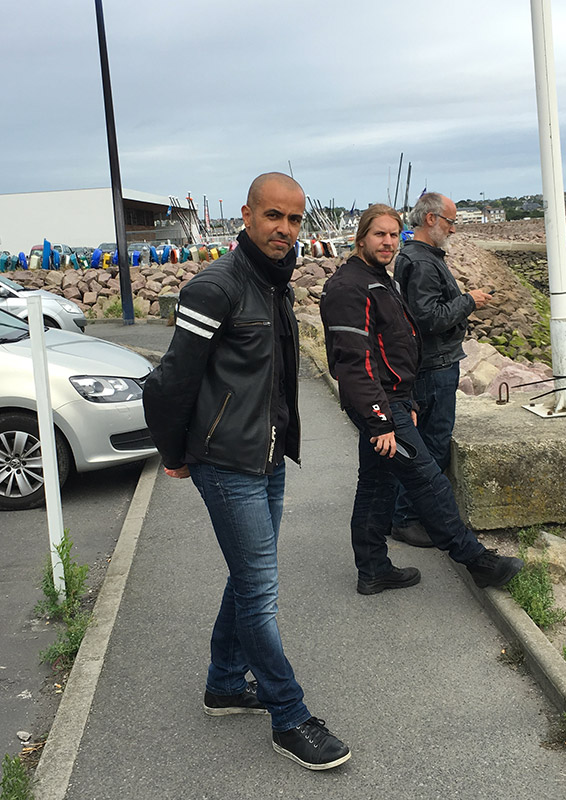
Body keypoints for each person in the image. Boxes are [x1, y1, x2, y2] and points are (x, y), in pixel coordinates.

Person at [143, 172, 351, 772]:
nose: (285, 230)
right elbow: (172, 379)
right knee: (260, 589)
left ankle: (226, 684)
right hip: (226, 461)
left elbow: (276, 380)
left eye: (294, 219)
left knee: (247, 575)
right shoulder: (217, 286)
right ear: (248, 215)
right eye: (273, 217)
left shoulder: (275, 283)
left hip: (266, 457)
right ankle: (290, 715)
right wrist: (174, 453)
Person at [319, 204, 522, 595]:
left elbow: (392, 347)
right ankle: (477, 561)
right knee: (429, 482)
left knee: (375, 486)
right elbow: (352, 360)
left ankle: (374, 568)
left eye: (394, 235)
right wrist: (381, 419)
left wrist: (406, 396)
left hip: (391, 400)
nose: (389, 242)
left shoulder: (378, 278)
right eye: (380, 234)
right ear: (361, 237)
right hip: (379, 406)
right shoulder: (350, 287)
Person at [391, 193, 493, 547]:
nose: (452, 229)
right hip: (434, 366)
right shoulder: (420, 261)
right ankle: (405, 517)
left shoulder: (419, 256)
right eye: (450, 222)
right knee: (431, 444)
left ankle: (409, 514)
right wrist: (469, 301)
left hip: (432, 363)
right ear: (431, 220)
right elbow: (428, 318)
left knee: (426, 442)